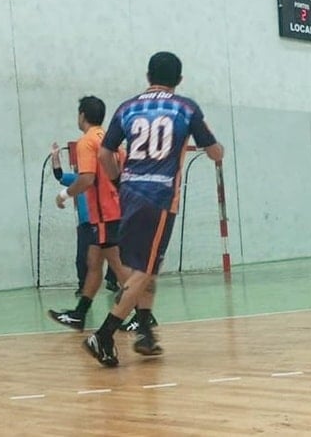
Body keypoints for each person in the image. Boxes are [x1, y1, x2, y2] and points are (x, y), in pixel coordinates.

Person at [82, 52, 224, 367]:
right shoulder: (186, 108)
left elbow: (106, 155)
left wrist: (120, 182)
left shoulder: (127, 107)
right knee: (145, 270)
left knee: (141, 265)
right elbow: (213, 151)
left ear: (148, 75)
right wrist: (218, 149)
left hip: (130, 194)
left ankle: (145, 330)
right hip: (159, 195)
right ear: (180, 79)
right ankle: (104, 335)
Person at [47, 97, 131, 331]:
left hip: (105, 213)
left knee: (117, 265)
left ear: (82, 115)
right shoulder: (111, 141)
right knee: (93, 263)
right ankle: (79, 314)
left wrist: (64, 195)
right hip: (110, 211)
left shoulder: (86, 142)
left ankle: (142, 314)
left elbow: (86, 179)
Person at [50, 142, 119, 296]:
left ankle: (112, 281)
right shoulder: (78, 179)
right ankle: (83, 286)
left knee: (115, 253)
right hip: (86, 224)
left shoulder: (105, 178)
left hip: (104, 221)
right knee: (83, 257)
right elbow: (59, 175)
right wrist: (55, 157)